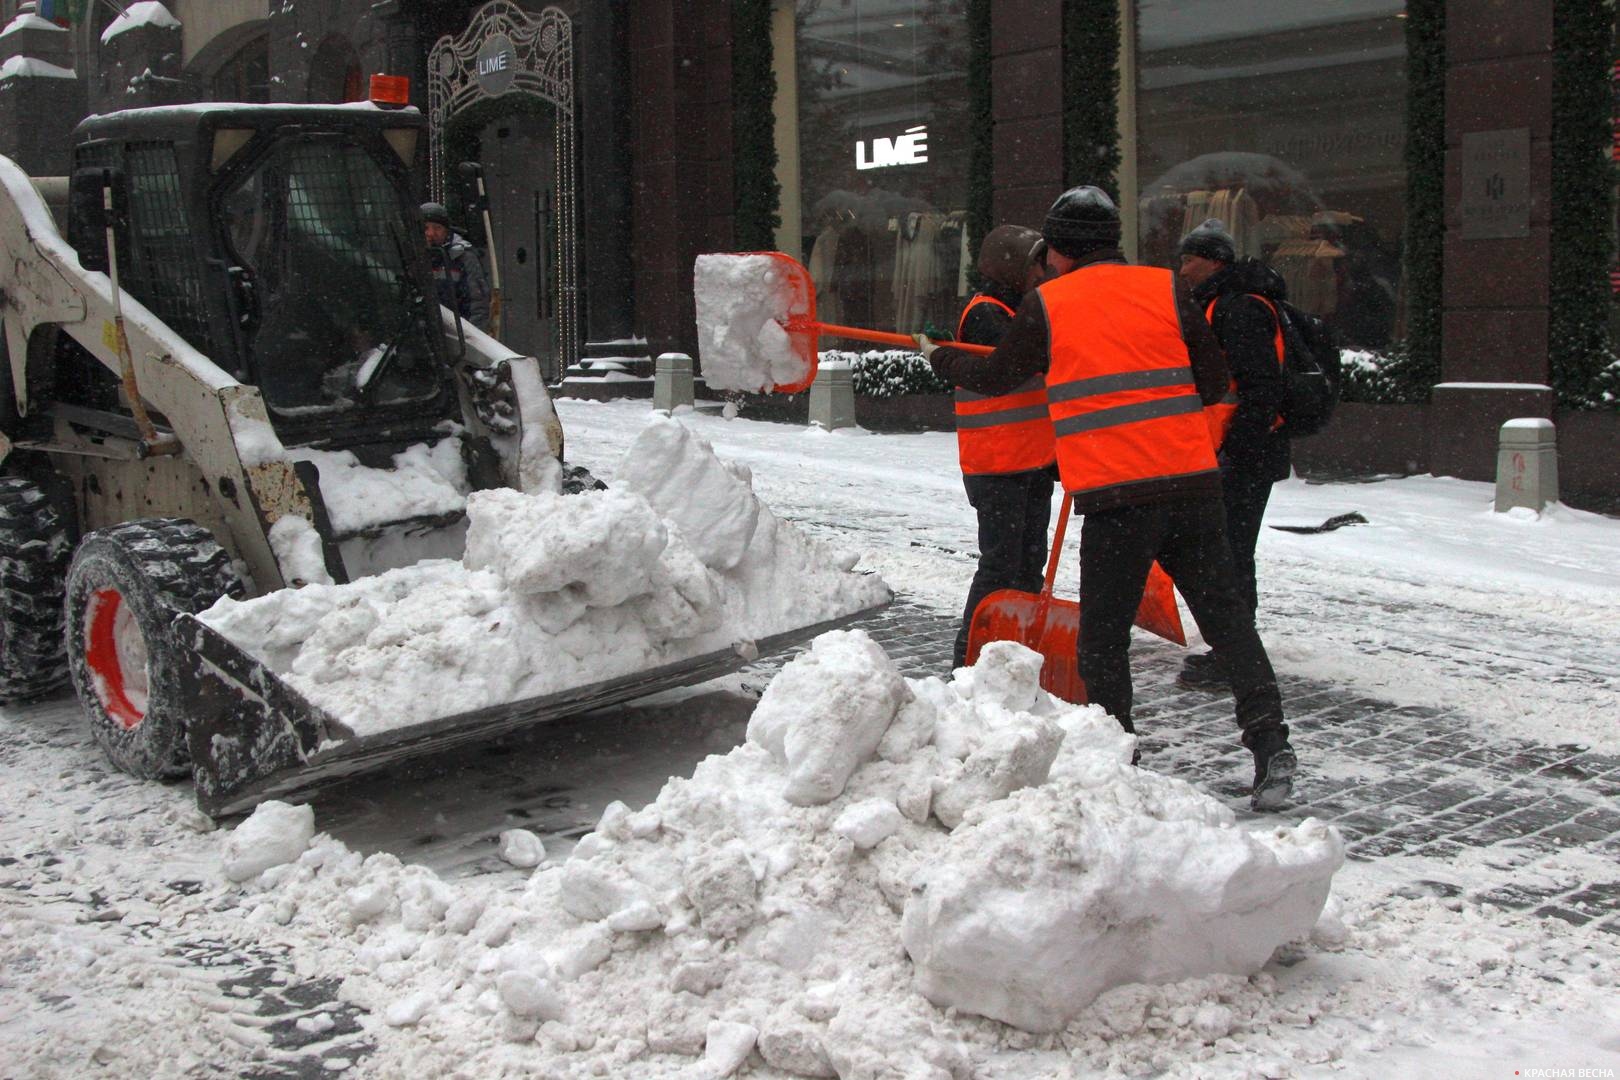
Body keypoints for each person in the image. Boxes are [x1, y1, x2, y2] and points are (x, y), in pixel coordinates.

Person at [919, 186, 1297, 811]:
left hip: (1118, 498)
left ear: (1060, 249)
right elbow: (1211, 382)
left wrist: (939, 357)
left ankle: (1120, 759)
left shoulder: (1048, 303)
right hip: (1191, 485)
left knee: (1102, 642)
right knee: (1228, 624)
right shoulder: (1166, 288)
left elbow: (996, 376)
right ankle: (1271, 744)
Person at [1175, 218, 1291, 691]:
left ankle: (1235, 657)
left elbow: (1260, 389)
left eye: (1189, 259)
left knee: (1230, 555)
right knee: (1224, 553)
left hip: (1243, 457)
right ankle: (1232, 648)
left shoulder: (1239, 308)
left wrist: (1234, 454)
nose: (1182, 269)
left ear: (1214, 261)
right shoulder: (1219, 303)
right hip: (1231, 453)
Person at [948, 223, 1058, 669]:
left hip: (1031, 462)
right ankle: (968, 660)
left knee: (1029, 564)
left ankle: (1014, 656)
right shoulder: (987, 314)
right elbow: (1016, 366)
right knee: (1000, 566)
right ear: (1011, 267)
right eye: (1035, 265)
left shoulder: (1018, 311)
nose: (1041, 273)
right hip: (996, 466)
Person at [420, 201, 492, 333]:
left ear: (447, 231)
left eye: (437, 228)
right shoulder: (411, 257)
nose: (431, 233)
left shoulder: (463, 257)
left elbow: (478, 305)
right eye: (425, 228)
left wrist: (471, 336)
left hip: (456, 335)